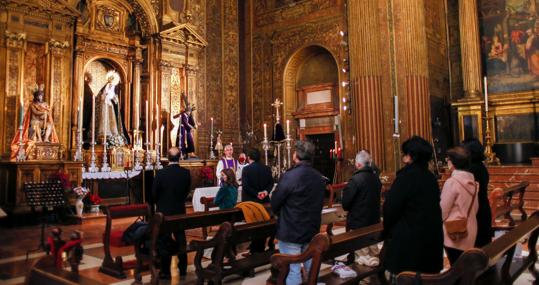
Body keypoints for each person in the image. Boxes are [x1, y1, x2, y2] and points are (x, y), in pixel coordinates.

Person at [383, 136, 444, 278]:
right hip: (431, 242)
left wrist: (388, 231)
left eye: (405, 153)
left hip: (409, 244)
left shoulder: (406, 177)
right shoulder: (430, 178)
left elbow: (391, 208)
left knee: (407, 278)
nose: (404, 157)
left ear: (410, 157)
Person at [271, 140, 326, 285]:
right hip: (311, 229)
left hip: (291, 230)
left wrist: (279, 212)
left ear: (296, 156)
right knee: (311, 267)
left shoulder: (290, 176)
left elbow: (275, 202)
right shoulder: (319, 178)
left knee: (292, 269)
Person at [151, 147, 191, 280]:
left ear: (167, 158)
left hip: (164, 212)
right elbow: (186, 192)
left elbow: (154, 194)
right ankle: (183, 267)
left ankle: (165, 271)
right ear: (179, 157)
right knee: (181, 239)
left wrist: (158, 203)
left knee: (164, 241)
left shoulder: (161, 174)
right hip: (179, 210)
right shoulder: (186, 173)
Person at [342, 150, 382, 266]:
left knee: (362, 260)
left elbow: (346, 203)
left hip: (359, 225)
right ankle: (373, 278)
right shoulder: (376, 179)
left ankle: (365, 282)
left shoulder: (356, 180)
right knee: (374, 258)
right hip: (373, 223)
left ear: (358, 164)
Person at [440, 146, 478, 265]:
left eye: (448, 160)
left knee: (455, 267)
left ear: (453, 162)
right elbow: (476, 208)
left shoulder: (452, 182)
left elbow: (442, 210)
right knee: (463, 267)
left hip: (454, 231)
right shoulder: (474, 183)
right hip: (470, 229)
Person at [11, 84, 59, 159]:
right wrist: (44, 112)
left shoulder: (45, 104)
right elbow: (36, 112)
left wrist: (47, 112)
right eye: (39, 96)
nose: (40, 97)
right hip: (35, 121)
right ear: (36, 96)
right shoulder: (32, 105)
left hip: (43, 122)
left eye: (41, 96)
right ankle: (39, 139)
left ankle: (46, 138)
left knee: (50, 125)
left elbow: (49, 112)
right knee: (36, 125)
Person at [462, 138, 492, 247]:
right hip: (482, 208)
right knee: (483, 244)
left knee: (477, 245)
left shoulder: (472, 169)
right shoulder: (480, 166)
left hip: (476, 211)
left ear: (469, 152)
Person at [97, 70, 128, 146]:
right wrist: (105, 95)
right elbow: (102, 95)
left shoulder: (113, 86)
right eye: (111, 79)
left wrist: (115, 99)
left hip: (110, 104)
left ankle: (112, 133)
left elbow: (113, 95)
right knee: (105, 117)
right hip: (105, 103)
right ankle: (104, 133)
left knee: (112, 118)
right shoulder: (106, 86)